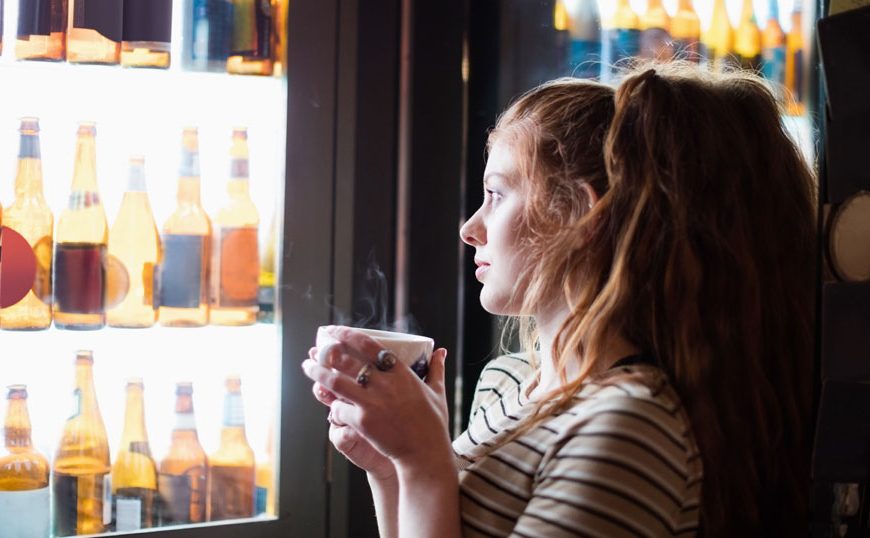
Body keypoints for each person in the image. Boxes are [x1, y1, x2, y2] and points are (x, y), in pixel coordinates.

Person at [302, 62, 816, 537]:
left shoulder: (628, 428)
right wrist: (390, 467)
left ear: (581, 218)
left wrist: (422, 462)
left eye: (497, 195)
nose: (470, 228)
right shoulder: (507, 383)